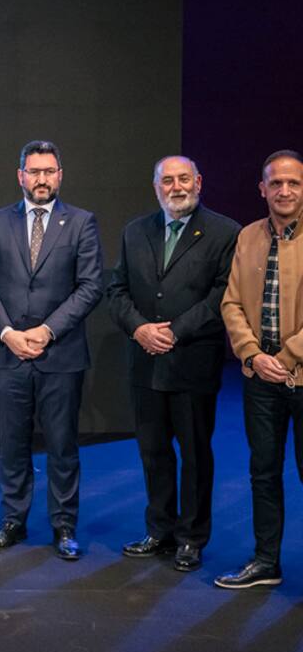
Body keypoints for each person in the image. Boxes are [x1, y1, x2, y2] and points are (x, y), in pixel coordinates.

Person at [108, 155, 238, 572]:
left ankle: (191, 538)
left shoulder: (225, 232)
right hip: (145, 362)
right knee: (153, 452)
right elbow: (117, 290)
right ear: (156, 187)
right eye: (167, 181)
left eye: (184, 179)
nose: (176, 187)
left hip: (192, 363)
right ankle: (160, 531)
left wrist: (175, 331)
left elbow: (222, 296)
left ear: (199, 182)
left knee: (196, 456)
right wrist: (139, 329)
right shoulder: (135, 231)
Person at [0, 140, 103, 560]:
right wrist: (8, 333)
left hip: (60, 354)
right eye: (34, 171)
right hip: (6, 352)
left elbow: (90, 287)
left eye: (49, 171)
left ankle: (64, 526)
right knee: (12, 444)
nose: (41, 179)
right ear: (21, 176)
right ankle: (13, 521)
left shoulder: (81, 222)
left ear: (60, 175)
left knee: (62, 445)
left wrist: (47, 331)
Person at [215, 149, 303, 589]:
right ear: (262, 189)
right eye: (276, 183)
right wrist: (252, 356)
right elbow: (231, 302)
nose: (284, 190)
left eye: (294, 183)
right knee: (263, 472)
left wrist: (285, 358)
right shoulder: (248, 235)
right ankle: (266, 562)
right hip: (260, 378)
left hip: (298, 374)